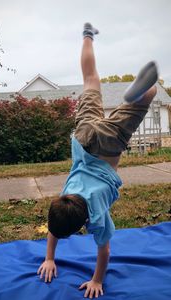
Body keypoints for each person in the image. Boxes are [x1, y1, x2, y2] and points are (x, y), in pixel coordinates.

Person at [37, 23, 158, 299]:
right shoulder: (64, 199)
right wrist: (49, 257)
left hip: (107, 149)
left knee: (149, 95)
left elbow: (104, 251)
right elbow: (55, 225)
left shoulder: (96, 218)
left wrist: (96, 281)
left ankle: (139, 96)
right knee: (90, 80)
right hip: (83, 137)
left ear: (83, 224)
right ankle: (87, 35)